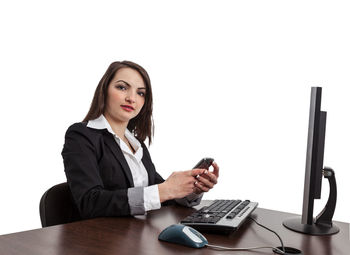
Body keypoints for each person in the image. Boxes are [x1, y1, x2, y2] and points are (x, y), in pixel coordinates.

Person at [62, 61, 219, 219]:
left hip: (139, 234)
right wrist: (163, 190)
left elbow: (158, 197)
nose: (132, 98)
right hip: (102, 238)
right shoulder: (81, 135)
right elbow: (90, 203)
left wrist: (192, 190)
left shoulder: (137, 145)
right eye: (122, 87)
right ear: (104, 90)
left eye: (140, 93)